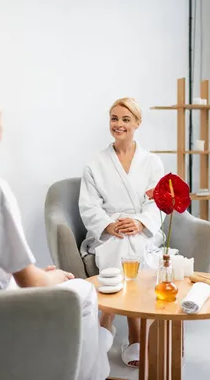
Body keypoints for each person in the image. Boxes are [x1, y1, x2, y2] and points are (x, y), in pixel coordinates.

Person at [0, 81, 114, 380]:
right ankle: (91, 369)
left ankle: (96, 355)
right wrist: (53, 277)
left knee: (67, 291)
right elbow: (29, 284)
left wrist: (42, 276)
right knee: (85, 291)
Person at [78, 97, 165, 368]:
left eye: (126, 119)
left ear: (137, 123)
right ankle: (114, 322)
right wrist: (108, 225)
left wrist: (140, 223)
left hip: (141, 228)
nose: (119, 124)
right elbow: (88, 205)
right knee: (120, 245)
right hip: (109, 229)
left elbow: (158, 203)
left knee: (134, 244)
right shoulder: (95, 163)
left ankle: (110, 325)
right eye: (114, 118)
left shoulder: (152, 162)